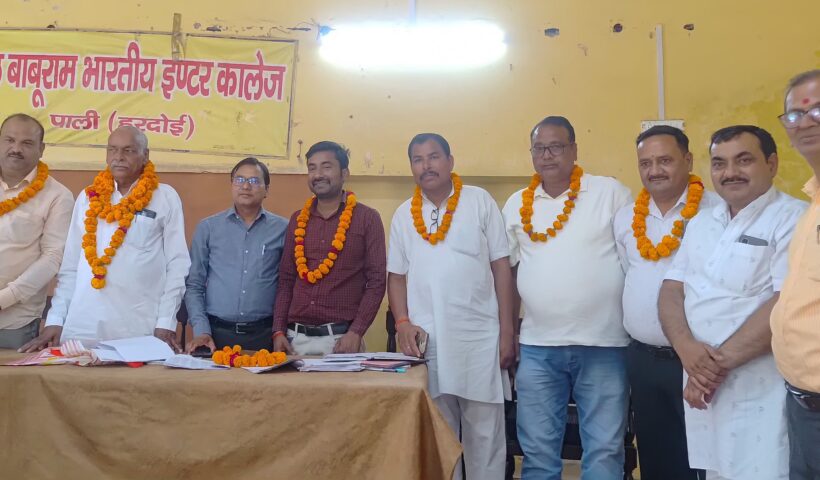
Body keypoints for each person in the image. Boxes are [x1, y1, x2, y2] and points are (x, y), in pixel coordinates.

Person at [659, 125, 806, 480]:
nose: (730, 172)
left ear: (772, 164)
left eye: (744, 160)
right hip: (704, 392)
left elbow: (785, 303)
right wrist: (685, 348)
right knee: (716, 471)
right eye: (719, 163)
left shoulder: (794, 219)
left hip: (761, 390)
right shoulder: (701, 220)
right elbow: (671, 289)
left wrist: (708, 371)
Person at [502, 116, 632, 479]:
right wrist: (509, 333)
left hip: (604, 345)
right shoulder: (517, 203)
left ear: (574, 150)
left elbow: (635, 261)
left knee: (605, 451)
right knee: (538, 453)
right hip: (538, 347)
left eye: (556, 146)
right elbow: (507, 274)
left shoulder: (610, 193)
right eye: (539, 148)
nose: (547, 155)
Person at [388, 132, 515, 480]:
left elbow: (501, 268)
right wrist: (402, 323)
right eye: (417, 159)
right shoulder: (403, 214)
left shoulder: (479, 200)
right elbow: (396, 277)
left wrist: (507, 331)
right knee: (439, 438)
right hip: (428, 342)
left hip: (479, 339)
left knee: (485, 437)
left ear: (450, 161)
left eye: (433, 157)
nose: (426, 166)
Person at [20, 126, 190, 352]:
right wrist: (56, 319)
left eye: (129, 150)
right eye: (112, 149)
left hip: (140, 327)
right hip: (83, 327)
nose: (119, 157)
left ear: (145, 155)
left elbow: (177, 265)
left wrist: (166, 322)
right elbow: (71, 266)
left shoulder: (165, 197)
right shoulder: (88, 197)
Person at [614, 125, 721, 480]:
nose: (654, 170)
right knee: (657, 456)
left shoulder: (716, 212)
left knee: (703, 457)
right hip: (643, 359)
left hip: (697, 360)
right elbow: (630, 272)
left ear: (687, 160)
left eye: (664, 160)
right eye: (645, 163)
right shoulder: (626, 217)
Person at [273, 141, 386, 355]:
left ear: (344, 173)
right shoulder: (298, 219)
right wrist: (278, 331)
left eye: (326, 167)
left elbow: (377, 282)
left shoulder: (367, 218)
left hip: (341, 341)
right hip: (294, 340)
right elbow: (286, 280)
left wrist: (356, 332)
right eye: (312, 168)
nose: (318, 175)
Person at [770, 69, 820, 480]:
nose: (805, 122)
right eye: (794, 115)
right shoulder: (812, 203)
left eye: (818, 110)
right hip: (803, 405)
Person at [184, 157, 287, 352]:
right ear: (232, 185)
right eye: (240, 180)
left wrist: (279, 330)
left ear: (267, 189)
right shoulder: (208, 228)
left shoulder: (283, 229)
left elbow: (287, 285)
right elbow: (194, 284)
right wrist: (201, 330)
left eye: (254, 180)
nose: (246, 186)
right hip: (215, 336)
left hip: (264, 335)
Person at [0, 113, 73, 349]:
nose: (16, 149)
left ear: (41, 149)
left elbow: (52, 257)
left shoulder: (57, 196)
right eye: (9, 140)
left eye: (27, 143)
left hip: (13, 322)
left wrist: (3, 299)